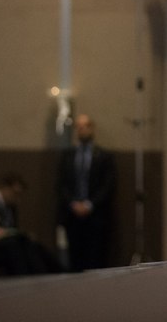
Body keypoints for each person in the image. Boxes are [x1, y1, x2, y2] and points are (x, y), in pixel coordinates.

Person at [56, 113, 116, 271]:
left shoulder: (104, 156)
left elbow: (108, 185)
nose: (82, 130)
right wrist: (73, 203)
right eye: (79, 127)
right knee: (75, 260)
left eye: (85, 126)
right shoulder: (68, 156)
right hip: (72, 216)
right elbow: (62, 184)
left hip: (97, 216)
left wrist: (89, 205)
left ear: (92, 128)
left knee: (96, 260)